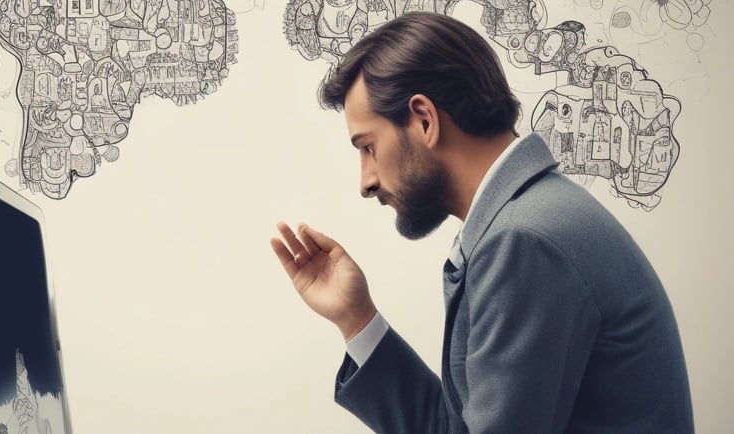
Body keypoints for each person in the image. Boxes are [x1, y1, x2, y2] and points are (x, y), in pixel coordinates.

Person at [269, 12, 693, 434]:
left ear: (424, 120)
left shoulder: (524, 241)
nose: (366, 182)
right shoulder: (529, 217)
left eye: (368, 147)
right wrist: (356, 318)